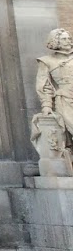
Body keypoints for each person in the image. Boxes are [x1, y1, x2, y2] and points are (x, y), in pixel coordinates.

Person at [33, 28, 73, 160]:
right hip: (65, 100)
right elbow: (44, 86)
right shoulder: (47, 61)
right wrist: (47, 105)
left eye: (68, 38)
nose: (68, 41)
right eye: (63, 39)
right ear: (55, 41)